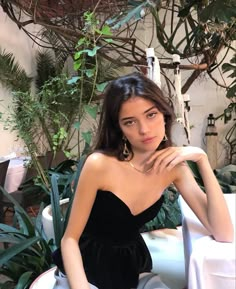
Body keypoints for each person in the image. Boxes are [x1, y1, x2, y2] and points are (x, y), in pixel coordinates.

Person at [53, 72, 233, 289]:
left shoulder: (173, 167)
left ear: (164, 115)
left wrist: (202, 160)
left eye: (151, 115)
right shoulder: (99, 164)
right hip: (84, 272)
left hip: (132, 272)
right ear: (119, 128)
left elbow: (223, 233)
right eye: (130, 122)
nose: (144, 130)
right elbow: (69, 239)